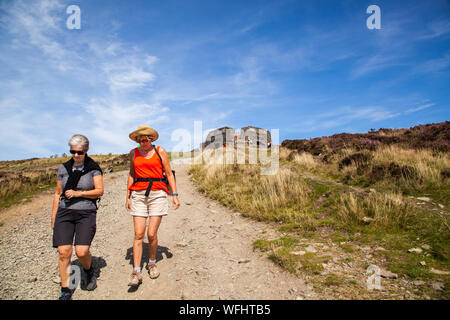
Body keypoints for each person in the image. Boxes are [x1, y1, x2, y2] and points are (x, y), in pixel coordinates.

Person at [51, 134, 104, 300]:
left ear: (86, 151)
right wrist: (53, 216)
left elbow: (99, 191)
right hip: (64, 212)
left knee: (81, 251)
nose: (75, 155)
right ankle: (66, 290)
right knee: (63, 252)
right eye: (72, 151)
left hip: (86, 212)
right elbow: (58, 193)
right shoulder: (63, 168)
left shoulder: (93, 168)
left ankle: (89, 270)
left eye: (79, 152)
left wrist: (79, 193)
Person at [126, 125, 180, 286]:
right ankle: (136, 271)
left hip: (158, 193)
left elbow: (169, 174)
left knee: (151, 234)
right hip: (138, 194)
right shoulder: (133, 153)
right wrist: (127, 196)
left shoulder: (160, 151)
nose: (143, 142)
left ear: (151, 139)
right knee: (138, 233)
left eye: (146, 139)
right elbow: (131, 174)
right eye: (140, 140)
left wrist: (175, 195)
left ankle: (151, 262)